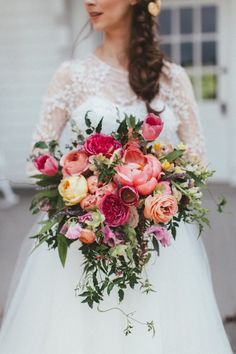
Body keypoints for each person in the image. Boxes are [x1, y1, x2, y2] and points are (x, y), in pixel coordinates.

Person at [0, 0, 234, 353]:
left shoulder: (172, 78)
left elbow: (196, 157)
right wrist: (88, 187)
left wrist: (151, 189)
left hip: (158, 246)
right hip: (87, 239)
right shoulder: (71, 75)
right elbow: (38, 158)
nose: (89, 2)